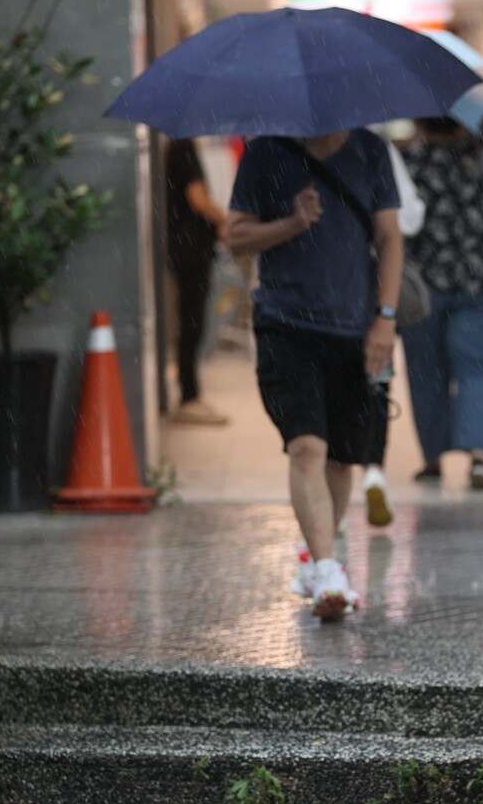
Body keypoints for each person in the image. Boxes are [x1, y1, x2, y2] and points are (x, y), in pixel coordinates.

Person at [225, 130, 401, 621]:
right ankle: (326, 567)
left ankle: (313, 556)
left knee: (344, 458)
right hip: (284, 323)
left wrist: (385, 318)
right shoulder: (266, 151)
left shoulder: (370, 150)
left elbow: (390, 239)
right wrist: (292, 222)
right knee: (307, 446)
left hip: (355, 325)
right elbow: (235, 234)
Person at [400, 117, 483, 490]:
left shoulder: (409, 164)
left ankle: (433, 458)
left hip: (424, 283)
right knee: (480, 369)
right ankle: (479, 455)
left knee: (425, 372)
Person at [359, 133, 427, 528]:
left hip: (324, 290)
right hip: (378, 283)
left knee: (331, 384)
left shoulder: (291, 146)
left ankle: (331, 472)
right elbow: (411, 216)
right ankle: (373, 469)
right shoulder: (375, 149)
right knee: (376, 378)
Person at [165, 137, 230, 426]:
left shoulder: (180, 148)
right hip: (190, 251)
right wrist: (225, 219)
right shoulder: (184, 148)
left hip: (188, 249)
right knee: (192, 322)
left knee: (192, 321)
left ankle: (190, 393)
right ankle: (189, 396)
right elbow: (198, 199)